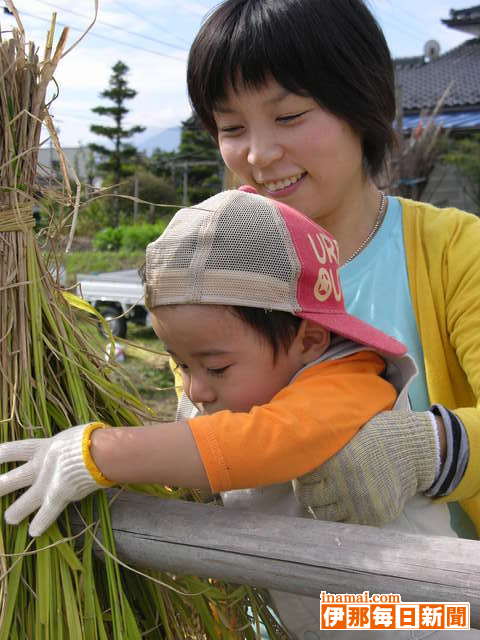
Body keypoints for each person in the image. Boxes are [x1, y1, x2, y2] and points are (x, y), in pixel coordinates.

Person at [0, 188, 448, 639]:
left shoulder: (350, 378)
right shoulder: (246, 386)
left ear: (310, 340)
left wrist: (101, 453)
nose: (195, 388)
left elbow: (269, 441)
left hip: (419, 614)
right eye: (180, 363)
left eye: (215, 367)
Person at [186, 0, 480, 541]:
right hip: (262, 602)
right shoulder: (223, 269)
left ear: (362, 104)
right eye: (231, 126)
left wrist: (426, 450)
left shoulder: (457, 251)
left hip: (425, 607)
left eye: (290, 116)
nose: (259, 154)